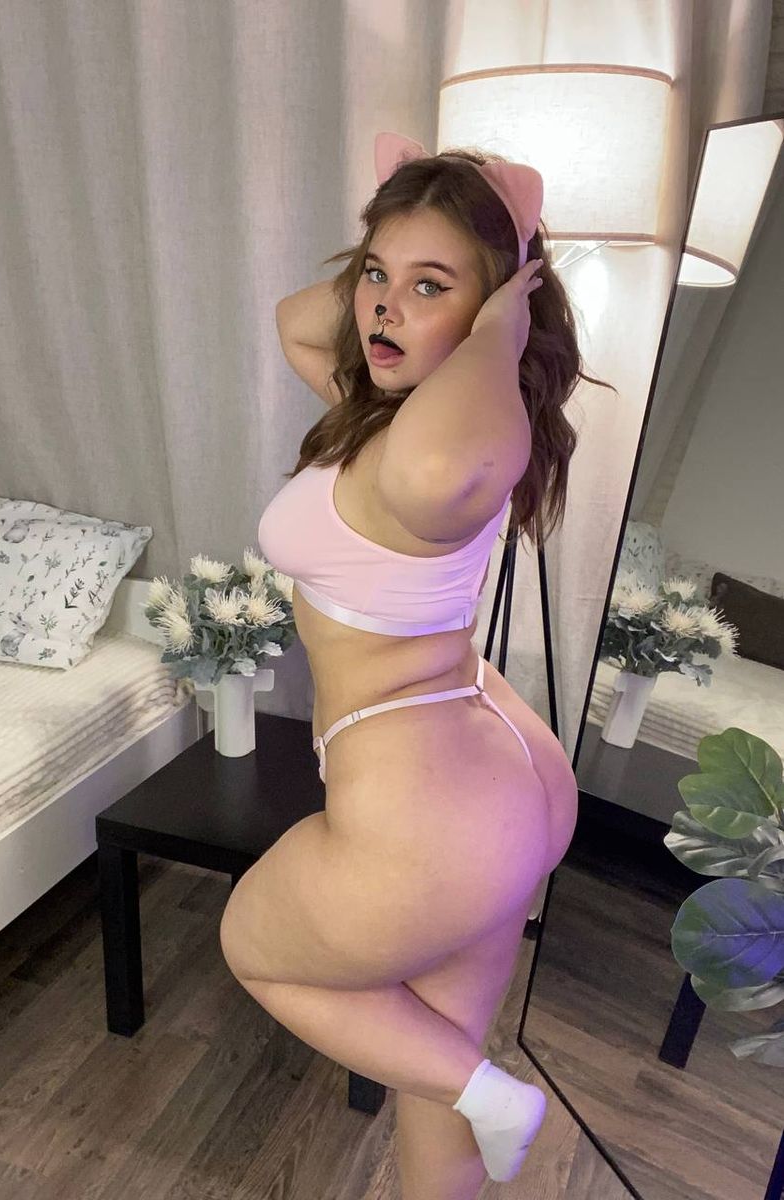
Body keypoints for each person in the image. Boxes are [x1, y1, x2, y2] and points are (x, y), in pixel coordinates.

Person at [228, 131, 616, 1197]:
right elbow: (294, 320)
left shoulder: (436, 456)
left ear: (495, 314)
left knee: (252, 946)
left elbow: (441, 458)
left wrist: (499, 320)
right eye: (376, 276)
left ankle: (494, 1094)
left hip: (430, 818)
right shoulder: (391, 412)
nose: (382, 309)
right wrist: (431, 260)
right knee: (429, 1072)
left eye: (427, 286)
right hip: (495, 778)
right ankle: (471, 1096)